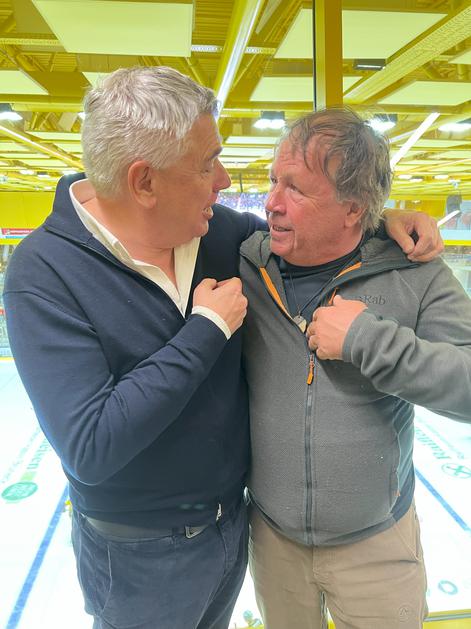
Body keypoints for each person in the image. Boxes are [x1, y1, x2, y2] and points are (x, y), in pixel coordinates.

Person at [3, 67, 442, 629]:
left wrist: (384, 220)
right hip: (137, 557)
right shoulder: (44, 273)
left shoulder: (217, 232)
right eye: (207, 163)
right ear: (144, 183)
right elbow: (90, 446)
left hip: (234, 529)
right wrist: (206, 329)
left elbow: (315, 228)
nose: (225, 180)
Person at [240, 107, 471, 629]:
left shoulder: (416, 273)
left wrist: (368, 340)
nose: (271, 202)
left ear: (352, 209)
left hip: (377, 547)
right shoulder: (248, 262)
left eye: (295, 189)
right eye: (273, 181)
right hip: (273, 541)